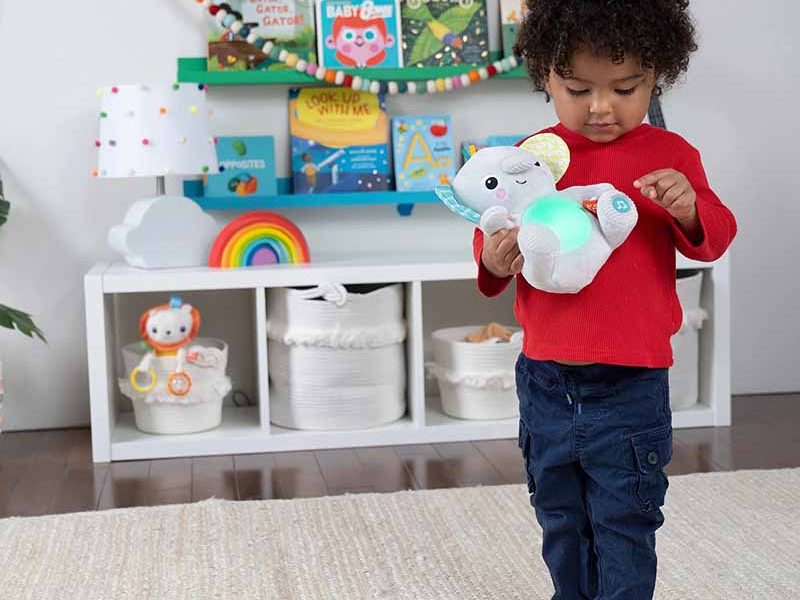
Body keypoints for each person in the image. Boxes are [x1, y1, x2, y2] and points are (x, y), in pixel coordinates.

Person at [474, 1, 737, 598]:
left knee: (624, 522)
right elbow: (490, 245)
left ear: (656, 77)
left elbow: (715, 237)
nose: (600, 107)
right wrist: (494, 256)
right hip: (545, 379)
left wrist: (688, 206)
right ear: (545, 75)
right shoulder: (527, 158)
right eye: (577, 88)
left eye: (625, 88)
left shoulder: (671, 157)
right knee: (560, 519)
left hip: (630, 385)